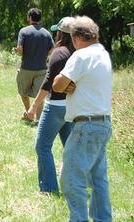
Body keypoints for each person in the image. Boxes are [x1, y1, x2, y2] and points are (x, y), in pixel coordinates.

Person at [53, 16, 112, 222]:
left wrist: (67, 83)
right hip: (103, 122)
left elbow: (58, 85)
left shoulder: (81, 56)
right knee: (98, 179)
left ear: (76, 37)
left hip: (86, 126)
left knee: (71, 179)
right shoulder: (102, 53)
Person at [26, 17, 75, 193]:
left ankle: (48, 188)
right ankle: (75, 185)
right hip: (71, 107)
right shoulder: (78, 53)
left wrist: (33, 107)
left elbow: (48, 83)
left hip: (55, 107)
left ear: (61, 33)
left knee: (42, 146)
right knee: (70, 147)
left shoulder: (59, 53)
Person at [14, 8, 54, 121]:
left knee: (23, 92)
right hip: (41, 69)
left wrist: (19, 52)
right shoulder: (46, 33)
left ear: (29, 17)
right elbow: (52, 50)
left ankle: (29, 113)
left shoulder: (23, 31)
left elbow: (20, 48)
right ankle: (39, 119)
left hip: (26, 68)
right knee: (39, 95)